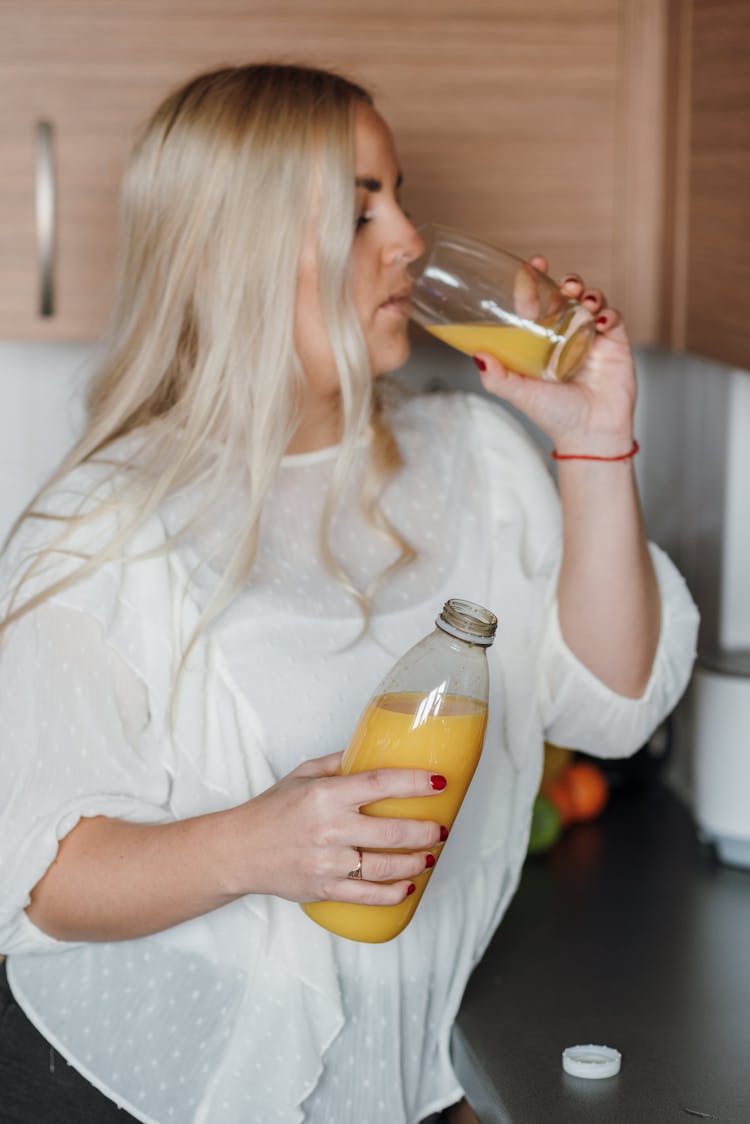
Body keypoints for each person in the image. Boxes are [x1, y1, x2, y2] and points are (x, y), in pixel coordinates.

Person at [0, 63, 698, 1124]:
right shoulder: (104, 522)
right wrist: (258, 844)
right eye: (359, 206)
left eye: (401, 196)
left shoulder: (471, 451)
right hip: (153, 1074)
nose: (411, 239)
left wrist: (594, 442)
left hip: (408, 1067)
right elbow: (41, 873)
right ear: (227, 247)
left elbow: (610, 705)